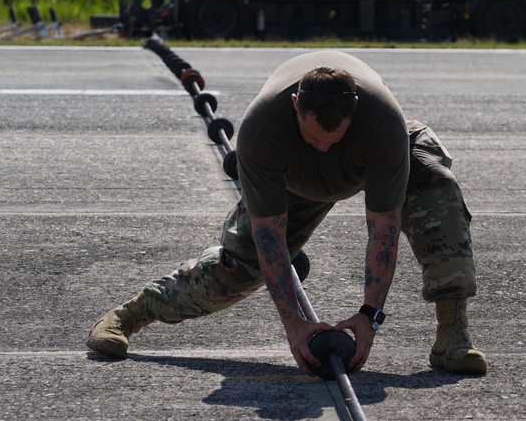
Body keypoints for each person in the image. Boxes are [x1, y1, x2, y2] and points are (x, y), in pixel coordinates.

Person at [86, 50, 487, 376]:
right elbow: (269, 238)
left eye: (336, 137)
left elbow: (383, 229)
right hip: (296, 179)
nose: (326, 147)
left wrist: (370, 317)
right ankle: (132, 314)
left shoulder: (384, 126)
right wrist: (294, 325)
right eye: (315, 137)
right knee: (240, 266)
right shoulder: (261, 132)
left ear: (356, 112)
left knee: (437, 189)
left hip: (377, 158)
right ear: (295, 104)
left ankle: (453, 333)